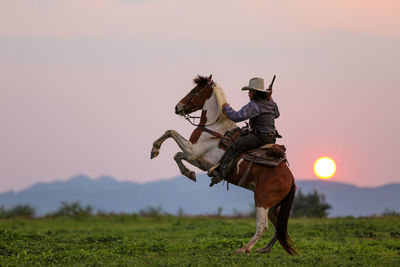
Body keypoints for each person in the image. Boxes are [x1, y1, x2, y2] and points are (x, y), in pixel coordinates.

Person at [209, 77, 280, 186]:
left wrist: (226, 108)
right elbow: (276, 114)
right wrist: (270, 98)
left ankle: (220, 173)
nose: (248, 93)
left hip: (259, 137)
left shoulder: (254, 105)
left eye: (250, 91)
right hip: (271, 138)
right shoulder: (270, 102)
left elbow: (236, 117)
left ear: (255, 92)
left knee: (234, 146)